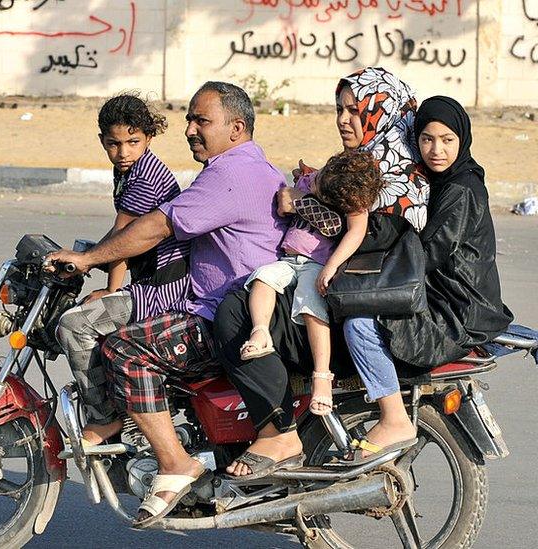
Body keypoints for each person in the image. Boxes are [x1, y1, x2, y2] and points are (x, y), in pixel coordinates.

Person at [45, 81, 287, 527]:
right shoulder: (239, 168)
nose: (190, 129)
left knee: (123, 348)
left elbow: (156, 227)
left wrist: (86, 259)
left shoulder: (231, 174)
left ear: (236, 128)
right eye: (189, 119)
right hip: (216, 303)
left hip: (219, 316)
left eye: (201, 120)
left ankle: (174, 461)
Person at [215, 67, 430, 479]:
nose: (344, 119)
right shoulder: (367, 161)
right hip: (340, 293)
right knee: (243, 303)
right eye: (340, 109)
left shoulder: (388, 170)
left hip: (357, 308)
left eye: (355, 110)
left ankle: (279, 434)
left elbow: (360, 231)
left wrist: (301, 201)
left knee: (233, 315)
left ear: (380, 111)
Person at [341, 95, 513, 463]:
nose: (436, 150)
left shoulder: (461, 189)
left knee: (359, 324)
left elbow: (429, 252)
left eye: (447, 140)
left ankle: (394, 419)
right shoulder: (436, 180)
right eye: (427, 139)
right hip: (444, 296)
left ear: (462, 140)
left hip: (458, 309)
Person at [54, 93, 191, 449]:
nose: (124, 152)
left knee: (74, 324)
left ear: (148, 138)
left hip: (165, 287)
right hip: (151, 279)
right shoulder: (128, 171)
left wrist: (110, 289)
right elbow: (119, 235)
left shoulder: (147, 177)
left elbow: (124, 239)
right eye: (114, 144)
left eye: (133, 142)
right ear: (103, 141)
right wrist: (88, 257)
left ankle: (105, 418)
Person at [239, 150, 384, 417]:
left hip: (316, 264)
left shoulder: (351, 196)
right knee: (262, 279)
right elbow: (285, 201)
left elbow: (355, 231)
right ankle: (260, 332)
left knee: (311, 306)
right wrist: (304, 188)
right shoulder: (314, 179)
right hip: (288, 258)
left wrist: (331, 266)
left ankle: (321, 376)